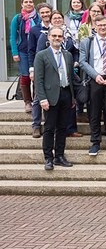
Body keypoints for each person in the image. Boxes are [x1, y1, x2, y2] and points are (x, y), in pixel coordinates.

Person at [79, 15, 106, 156]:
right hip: (95, 80)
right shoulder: (87, 42)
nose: (103, 27)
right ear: (95, 26)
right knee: (94, 112)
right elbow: (82, 62)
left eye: (105, 25)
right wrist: (95, 75)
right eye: (100, 25)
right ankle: (95, 142)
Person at [34, 27, 75, 170]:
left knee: (62, 128)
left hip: (65, 94)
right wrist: (42, 99)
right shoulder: (41, 55)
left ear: (63, 38)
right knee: (49, 128)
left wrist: (73, 97)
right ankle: (48, 158)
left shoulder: (68, 55)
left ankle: (59, 156)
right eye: (54, 36)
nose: (57, 38)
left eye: (60, 36)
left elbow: (71, 77)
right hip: (50, 97)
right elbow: (38, 80)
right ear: (49, 37)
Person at [10, 0, 39, 112]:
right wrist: (14, 52)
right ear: (22, 4)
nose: (28, 4)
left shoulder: (38, 17)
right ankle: (27, 102)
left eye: (30, 2)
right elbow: (13, 36)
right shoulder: (17, 19)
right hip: (22, 51)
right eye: (26, 2)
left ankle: (36, 100)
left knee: (37, 76)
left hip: (36, 51)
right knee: (25, 75)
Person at [27, 2, 52, 137]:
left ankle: (50, 125)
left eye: (47, 12)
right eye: (42, 12)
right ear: (39, 14)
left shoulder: (56, 28)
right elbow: (31, 51)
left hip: (54, 68)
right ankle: (36, 125)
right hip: (39, 68)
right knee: (37, 97)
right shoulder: (34, 30)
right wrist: (32, 69)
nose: (45, 14)